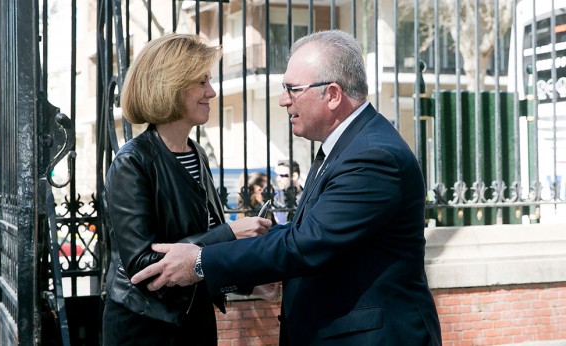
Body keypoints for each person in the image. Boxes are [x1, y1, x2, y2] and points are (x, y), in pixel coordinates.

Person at [131, 29, 442, 345]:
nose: (283, 100)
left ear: (333, 95)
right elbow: (309, 232)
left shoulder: (372, 156)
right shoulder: (349, 146)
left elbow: (307, 243)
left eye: (293, 89)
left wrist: (200, 262)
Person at [101, 33, 271, 346]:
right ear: (171, 84)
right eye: (201, 82)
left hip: (196, 319)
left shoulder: (197, 153)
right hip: (145, 327)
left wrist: (249, 280)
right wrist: (230, 233)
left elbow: (203, 246)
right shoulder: (132, 161)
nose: (212, 92)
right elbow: (143, 266)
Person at [273, 159, 303, 224]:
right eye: (277, 175)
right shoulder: (275, 197)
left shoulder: (307, 198)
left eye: (282, 175)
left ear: (294, 176)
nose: (278, 179)